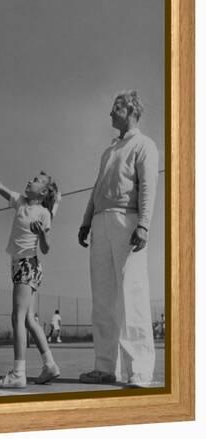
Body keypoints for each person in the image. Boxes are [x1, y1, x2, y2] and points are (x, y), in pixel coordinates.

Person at [78, 91, 159, 388]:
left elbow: (148, 188)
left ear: (131, 110)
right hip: (100, 224)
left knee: (132, 297)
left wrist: (144, 226)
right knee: (103, 300)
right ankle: (104, 367)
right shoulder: (109, 151)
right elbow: (96, 189)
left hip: (128, 222)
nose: (110, 114)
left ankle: (139, 370)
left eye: (116, 108)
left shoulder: (144, 145)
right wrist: (86, 221)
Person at [0, 158, 61, 388]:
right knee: (30, 319)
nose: (29, 180)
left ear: (42, 192)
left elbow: (47, 248)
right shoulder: (20, 202)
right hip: (25, 266)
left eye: (36, 180)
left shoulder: (43, 214)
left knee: (17, 318)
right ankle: (49, 365)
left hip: (27, 265)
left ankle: (18, 373)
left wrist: (41, 235)